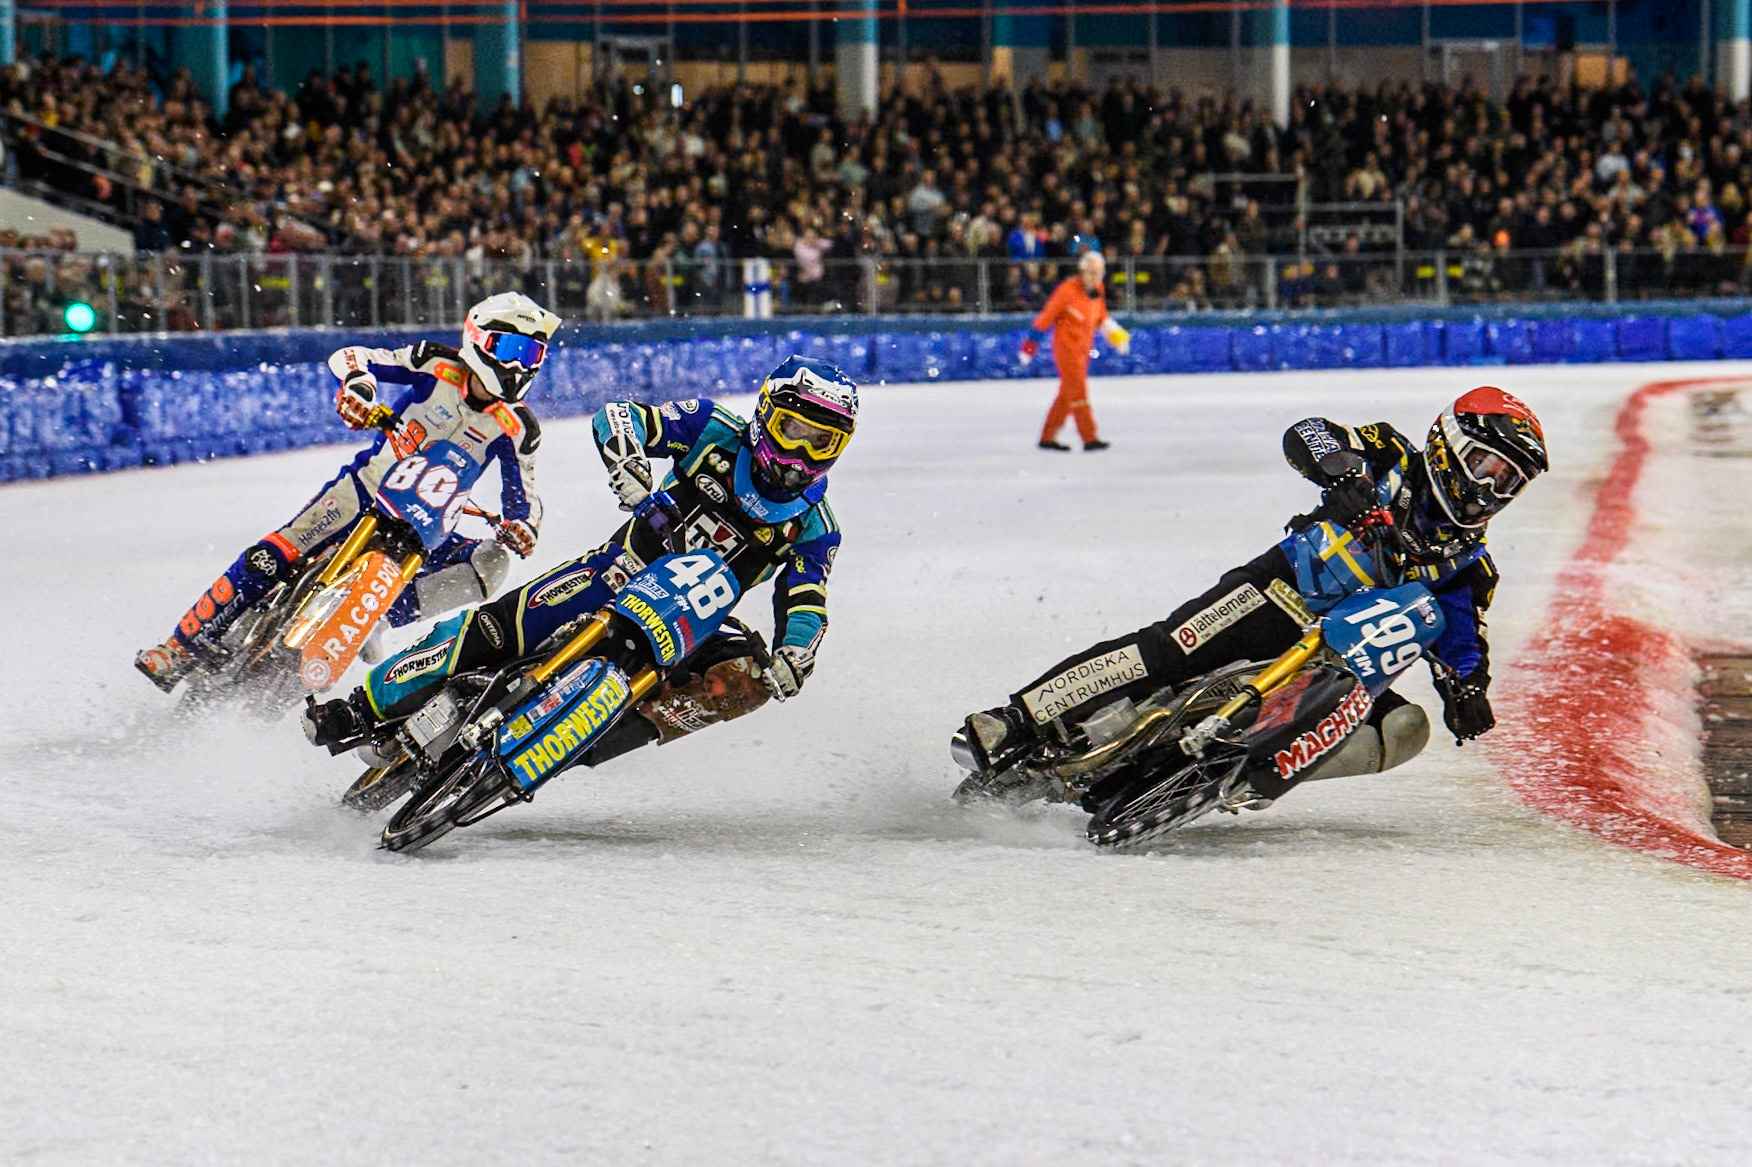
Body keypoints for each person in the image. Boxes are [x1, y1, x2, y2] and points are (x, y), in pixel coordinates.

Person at [958, 386, 1548, 807]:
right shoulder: (1391, 454)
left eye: (1510, 483)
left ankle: (1237, 778)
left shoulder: (1470, 564)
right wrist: (1342, 477)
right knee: (1170, 651)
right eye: (1488, 467)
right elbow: (1308, 433)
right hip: (1279, 592)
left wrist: (1468, 688)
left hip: (1340, 665)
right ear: (1449, 444)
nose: (1491, 490)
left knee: (1405, 731)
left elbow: (1462, 636)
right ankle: (1017, 719)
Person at [303, 354, 856, 770]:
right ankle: (363, 707)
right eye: (793, 432)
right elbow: (622, 417)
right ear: (765, 414)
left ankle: (592, 739)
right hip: (622, 570)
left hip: (693, 624)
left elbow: (808, 599)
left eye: (821, 443)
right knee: (501, 629)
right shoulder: (714, 430)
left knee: (746, 680)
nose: (801, 455)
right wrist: (628, 461)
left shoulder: (816, 527)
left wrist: (795, 653)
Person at [134, 292, 561, 692]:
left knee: (490, 565)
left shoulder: (519, 428)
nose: (521, 366)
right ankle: (179, 647)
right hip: (364, 492)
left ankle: (378, 618)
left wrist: (523, 526)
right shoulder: (433, 363)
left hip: (429, 528)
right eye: (512, 350)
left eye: (533, 354)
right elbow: (352, 356)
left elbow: (524, 495)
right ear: (479, 341)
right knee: (273, 554)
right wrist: (359, 386)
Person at [1021, 249, 1131, 452]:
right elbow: (1046, 317)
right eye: (1090, 272)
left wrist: (1117, 336)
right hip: (1066, 349)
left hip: (1083, 349)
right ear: (1081, 271)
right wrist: (1029, 347)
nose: (1094, 277)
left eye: (1098, 273)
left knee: (1066, 395)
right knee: (1078, 392)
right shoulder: (1067, 290)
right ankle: (1089, 438)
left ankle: (1047, 437)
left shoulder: (1098, 289)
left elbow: (1102, 317)